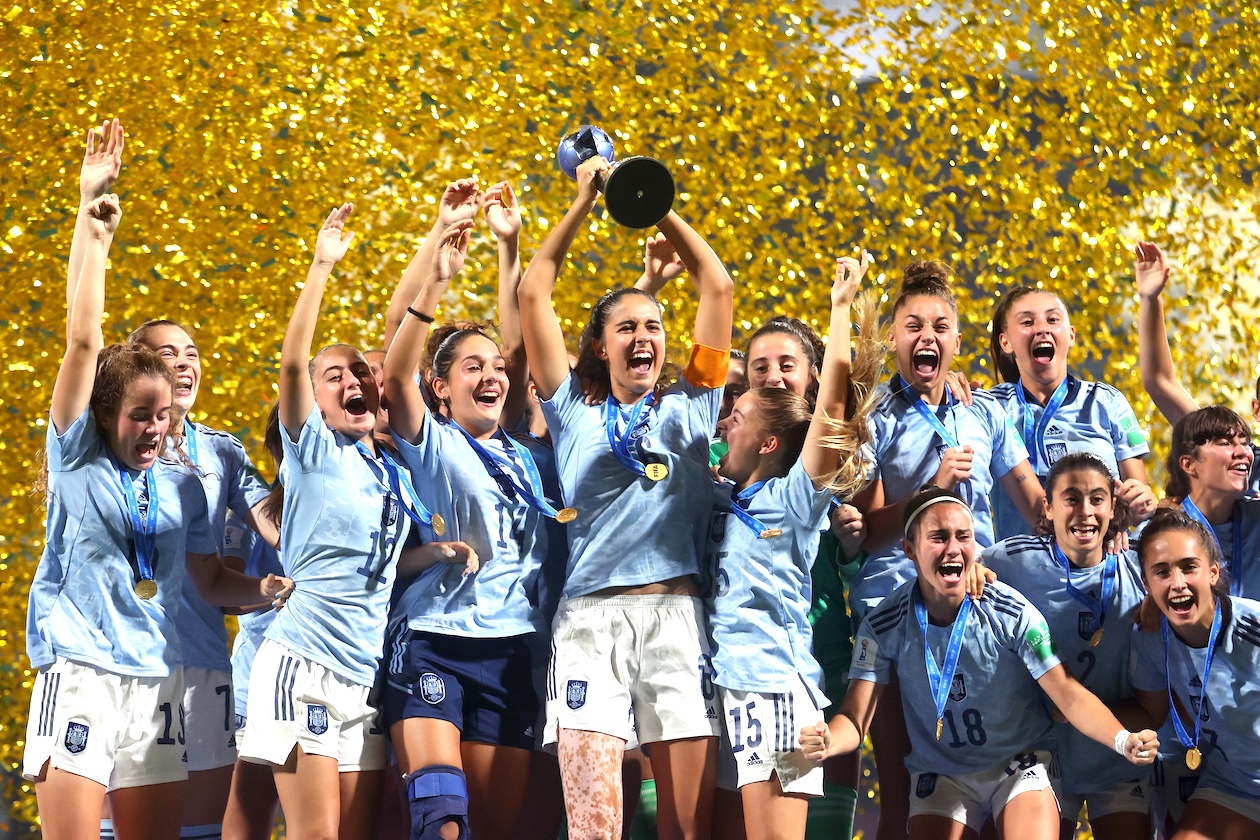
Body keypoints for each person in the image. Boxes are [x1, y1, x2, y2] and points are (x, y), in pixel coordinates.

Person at [25, 133, 291, 840]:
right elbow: (83, 341)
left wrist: (265, 589)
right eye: (139, 415)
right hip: (79, 671)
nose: (154, 427)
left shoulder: (186, 485)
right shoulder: (78, 457)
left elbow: (208, 575)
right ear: (104, 415)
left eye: (164, 416)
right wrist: (92, 219)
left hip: (159, 680)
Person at [518, 153, 734, 839]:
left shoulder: (693, 405)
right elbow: (532, 295)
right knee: (594, 829)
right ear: (602, 347)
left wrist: (649, 201)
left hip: (676, 619)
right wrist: (584, 200)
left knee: (685, 830)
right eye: (628, 328)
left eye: (655, 327)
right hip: (587, 629)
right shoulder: (572, 413)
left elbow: (719, 289)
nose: (646, 336)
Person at [236, 204, 459, 840]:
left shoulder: (389, 472)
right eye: (335, 376)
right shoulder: (313, 450)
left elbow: (383, 569)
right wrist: (321, 266)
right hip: (301, 662)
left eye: (361, 371)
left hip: (360, 674)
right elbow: (291, 363)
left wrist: (435, 553)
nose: (354, 380)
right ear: (313, 399)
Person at [800, 488, 1159, 840]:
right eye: (938, 537)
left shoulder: (1011, 612)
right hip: (942, 773)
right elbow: (854, 718)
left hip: (1021, 762)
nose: (953, 548)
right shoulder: (882, 625)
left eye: (963, 537)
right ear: (909, 549)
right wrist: (830, 739)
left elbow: (1069, 695)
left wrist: (1122, 738)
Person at [382, 181, 558, 839]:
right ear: (440, 386)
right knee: (440, 815)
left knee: (491, 825)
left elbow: (518, 353)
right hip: (434, 639)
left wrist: (509, 246)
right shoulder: (433, 442)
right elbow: (396, 377)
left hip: (512, 650)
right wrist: (436, 281)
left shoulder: (531, 454)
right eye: (471, 368)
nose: (491, 375)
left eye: (496, 369)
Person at [849, 260, 1044, 840]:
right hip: (895, 610)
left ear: (957, 341)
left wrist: (1106, 515)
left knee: (983, 780)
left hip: (975, 604)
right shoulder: (873, 418)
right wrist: (930, 488)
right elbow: (865, 532)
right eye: (913, 326)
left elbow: (1035, 503)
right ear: (892, 338)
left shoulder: (986, 413)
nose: (926, 337)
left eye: (940, 327)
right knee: (902, 792)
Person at [705, 254, 874, 839]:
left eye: (739, 416)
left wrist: (838, 311)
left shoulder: (794, 499)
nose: (725, 421)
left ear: (770, 439)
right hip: (728, 688)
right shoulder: (727, 499)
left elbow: (829, 412)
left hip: (775, 690)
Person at [982, 453, 1150, 839]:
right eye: (1071, 498)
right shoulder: (1011, 559)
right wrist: (974, 569)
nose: (1085, 512)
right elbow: (962, 565)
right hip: (1042, 755)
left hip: (1116, 751)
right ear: (1048, 506)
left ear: (1112, 505)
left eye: (1096, 499)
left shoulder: (1137, 563)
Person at [1130, 509, 1260, 839]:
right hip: (1234, 785)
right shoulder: (1148, 639)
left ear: (1213, 572)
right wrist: (1069, 708)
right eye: (1162, 572)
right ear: (1146, 583)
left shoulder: (1254, 626)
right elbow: (1150, 712)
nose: (1178, 583)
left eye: (1189, 567)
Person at [987, 286, 1154, 538]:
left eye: (1053, 319)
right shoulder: (991, 408)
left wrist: (1141, 502)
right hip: (1019, 569)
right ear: (1005, 341)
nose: (1042, 328)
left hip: (1101, 561)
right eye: (1027, 322)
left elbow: (1137, 497)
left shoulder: (1107, 402)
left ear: (1071, 335)